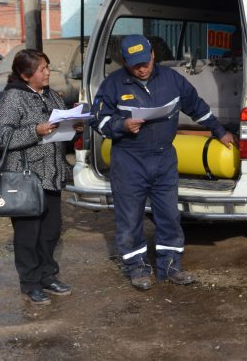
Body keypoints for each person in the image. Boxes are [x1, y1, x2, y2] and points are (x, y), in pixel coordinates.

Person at [91, 34, 234, 290]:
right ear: (124, 62)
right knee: (130, 218)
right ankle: (137, 268)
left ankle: (171, 266)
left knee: (169, 215)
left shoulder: (171, 79)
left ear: (153, 55)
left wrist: (219, 131)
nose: (142, 68)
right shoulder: (112, 84)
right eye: (135, 65)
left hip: (164, 158)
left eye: (145, 62)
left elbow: (197, 107)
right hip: (129, 160)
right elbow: (97, 120)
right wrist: (121, 125)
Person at [0, 49, 77, 305]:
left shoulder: (51, 95)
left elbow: (60, 126)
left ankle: (47, 276)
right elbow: (3, 137)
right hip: (25, 178)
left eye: (47, 67)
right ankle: (30, 283)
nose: (48, 72)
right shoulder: (12, 98)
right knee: (28, 235)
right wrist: (36, 130)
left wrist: (74, 123)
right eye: (42, 69)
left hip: (52, 174)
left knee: (50, 231)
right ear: (25, 74)